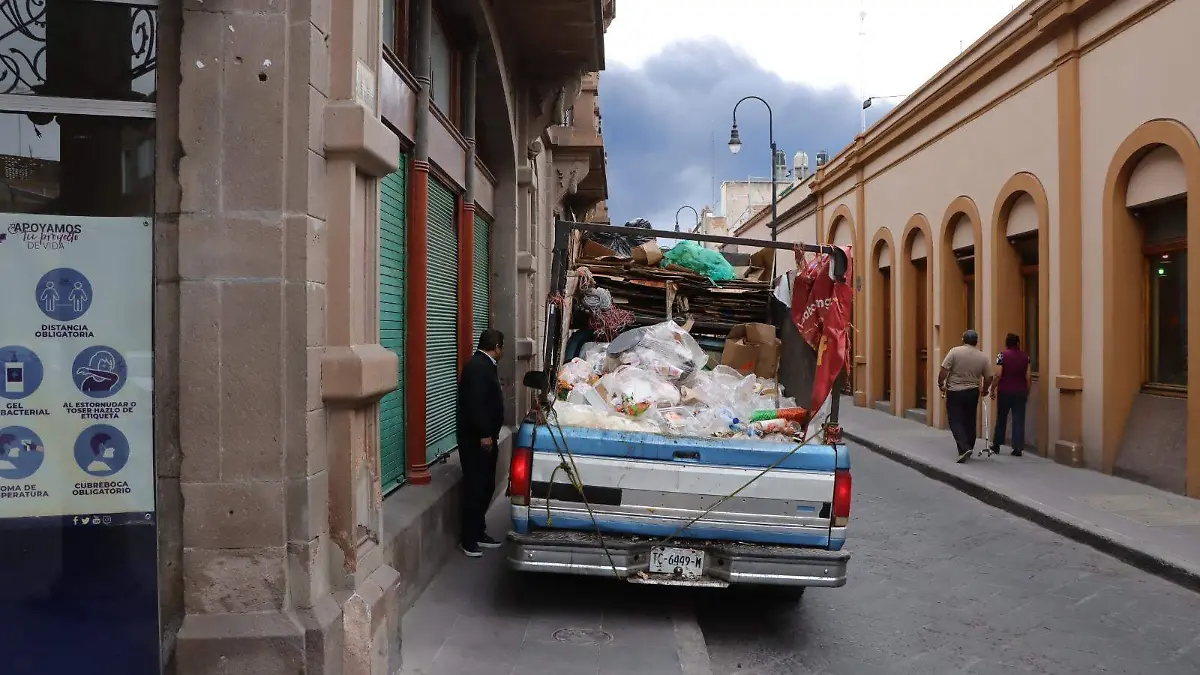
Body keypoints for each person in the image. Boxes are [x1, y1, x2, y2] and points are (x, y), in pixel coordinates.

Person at [456, 329, 506, 557]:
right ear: (495, 346)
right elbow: (475, 404)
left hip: (486, 440)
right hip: (477, 442)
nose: (502, 352)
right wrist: (484, 433)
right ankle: (469, 540)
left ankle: (479, 531)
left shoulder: (485, 365)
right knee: (475, 489)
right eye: (501, 347)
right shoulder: (477, 367)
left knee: (485, 486)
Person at [937, 329, 994, 463]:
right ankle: (969, 445)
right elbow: (989, 377)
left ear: (963, 339)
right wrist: (985, 389)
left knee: (955, 419)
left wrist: (940, 383)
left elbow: (944, 370)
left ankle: (963, 447)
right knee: (970, 419)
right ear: (976, 341)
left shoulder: (955, 352)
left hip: (955, 391)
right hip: (972, 391)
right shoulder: (982, 356)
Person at [989, 333, 1031, 457]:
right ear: (1018, 343)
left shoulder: (1002, 355)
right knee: (1018, 419)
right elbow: (1028, 377)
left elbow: (998, 374)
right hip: (1020, 392)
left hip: (1005, 391)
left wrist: (992, 389)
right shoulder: (1026, 357)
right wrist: (1027, 391)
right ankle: (1017, 448)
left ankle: (997, 445)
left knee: (1001, 417)